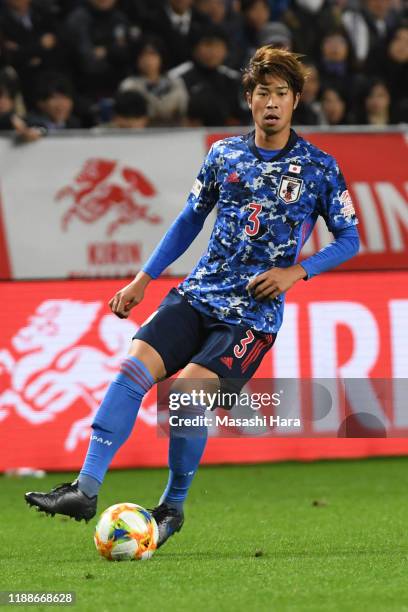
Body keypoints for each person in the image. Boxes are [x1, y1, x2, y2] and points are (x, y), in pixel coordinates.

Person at [25, 46, 360, 549]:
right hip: (197, 295)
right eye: (263, 92)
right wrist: (143, 279)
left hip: (251, 318)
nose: (272, 103)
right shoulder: (223, 154)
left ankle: (172, 507)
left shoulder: (319, 167)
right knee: (133, 369)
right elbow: (188, 221)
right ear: (249, 99)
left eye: (282, 94)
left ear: (296, 102)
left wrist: (297, 271)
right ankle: (85, 489)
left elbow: (350, 238)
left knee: (184, 398)